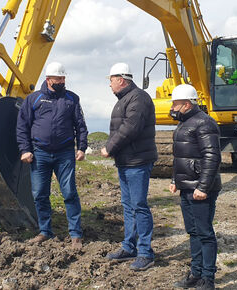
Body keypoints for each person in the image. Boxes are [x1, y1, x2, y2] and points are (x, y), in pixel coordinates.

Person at [16, 62, 88, 249]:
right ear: (48, 79)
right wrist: (25, 149)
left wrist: (81, 147)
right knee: (40, 193)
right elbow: (22, 126)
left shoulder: (72, 99)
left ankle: (75, 234)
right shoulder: (33, 99)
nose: (62, 81)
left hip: (65, 153)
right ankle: (45, 231)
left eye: (63, 78)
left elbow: (80, 125)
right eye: (58, 78)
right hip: (40, 153)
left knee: (69, 192)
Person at [101, 62, 158, 271]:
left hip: (137, 161)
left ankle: (145, 253)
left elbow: (130, 128)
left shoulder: (138, 98)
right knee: (128, 206)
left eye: (111, 80)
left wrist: (109, 147)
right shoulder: (125, 99)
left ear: (121, 80)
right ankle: (129, 247)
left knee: (139, 205)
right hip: (126, 161)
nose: (110, 85)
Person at [168, 84, 221, 290]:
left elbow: (212, 157)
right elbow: (179, 157)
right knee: (193, 232)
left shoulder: (204, 123)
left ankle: (208, 278)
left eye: (175, 103)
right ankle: (195, 273)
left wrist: (203, 187)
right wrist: (175, 180)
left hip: (200, 189)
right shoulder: (183, 124)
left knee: (205, 232)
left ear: (187, 104)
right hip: (187, 187)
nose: (172, 107)